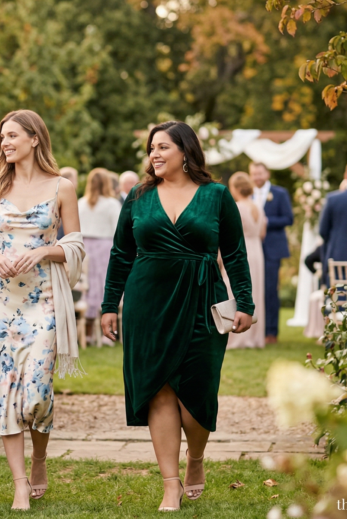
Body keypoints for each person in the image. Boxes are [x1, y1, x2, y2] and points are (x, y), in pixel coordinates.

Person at [100, 120, 253, 512]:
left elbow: (234, 253)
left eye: (163, 147)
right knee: (158, 391)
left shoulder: (217, 196)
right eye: (152, 148)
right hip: (147, 303)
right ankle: (171, 484)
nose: (154, 154)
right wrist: (108, 305)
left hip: (202, 300)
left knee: (197, 394)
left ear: (185, 151)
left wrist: (246, 303)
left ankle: (195, 459)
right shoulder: (138, 195)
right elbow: (121, 253)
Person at [0, 110, 83, 511]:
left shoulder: (62, 187)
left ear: (35, 139)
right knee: (3, 392)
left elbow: (75, 245)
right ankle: (19, 484)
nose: (5, 143)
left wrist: (42, 252)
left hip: (44, 301)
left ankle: (39, 459)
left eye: (13, 135)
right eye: (3, 137)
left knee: (36, 393)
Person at [249, 161, 293, 344]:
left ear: (267, 174)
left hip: (272, 249)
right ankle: (253, 330)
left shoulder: (280, 193)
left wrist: (266, 221)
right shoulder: (248, 193)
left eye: (260, 173)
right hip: (252, 249)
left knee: (269, 291)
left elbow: (288, 218)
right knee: (253, 290)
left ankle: (271, 332)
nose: (257, 177)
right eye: (254, 174)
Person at [78, 168, 123, 343]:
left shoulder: (81, 203)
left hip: (84, 248)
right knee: (105, 286)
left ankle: (88, 334)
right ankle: (108, 334)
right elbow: (118, 230)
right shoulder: (112, 204)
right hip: (105, 247)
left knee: (87, 287)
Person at [225, 172, 266, 349]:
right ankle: (255, 337)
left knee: (233, 288)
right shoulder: (258, 206)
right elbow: (263, 233)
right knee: (255, 291)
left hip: (242, 250)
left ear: (234, 188)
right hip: (257, 251)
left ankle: (237, 336)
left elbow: (231, 234)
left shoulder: (237, 207)